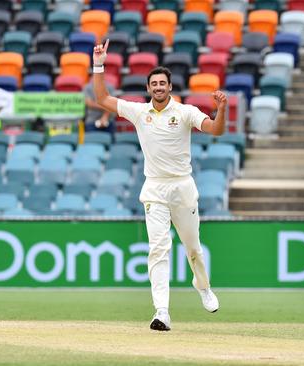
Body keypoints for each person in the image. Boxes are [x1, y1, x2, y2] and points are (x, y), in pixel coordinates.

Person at [92, 39, 225, 331]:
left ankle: (203, 287)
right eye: (154, 83)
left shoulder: (186, 112)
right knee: (158, 249)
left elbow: (216, 130)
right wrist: (99, 63)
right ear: (149, 88)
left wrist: (221, 109)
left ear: (170, 87)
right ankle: (161, 311)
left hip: (183, 187)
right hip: (154, 188)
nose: (159, 87)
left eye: (163, 83)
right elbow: (102, 99)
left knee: (193, 248)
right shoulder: (140, 113)